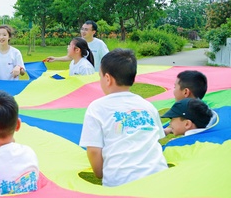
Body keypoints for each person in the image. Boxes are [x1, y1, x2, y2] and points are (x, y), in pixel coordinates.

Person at [79, 49, 167, 187]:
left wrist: (100, 173)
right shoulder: (148, 106)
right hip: (159, 176)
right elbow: (157, 139)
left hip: (120, 180)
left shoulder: (97, 108)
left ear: (107, 78)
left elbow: (94, 150)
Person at [164, 70, 218, 134]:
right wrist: (170, 130)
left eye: (175, 87)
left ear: (186, 92)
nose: (174, 91)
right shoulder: (207, 113)